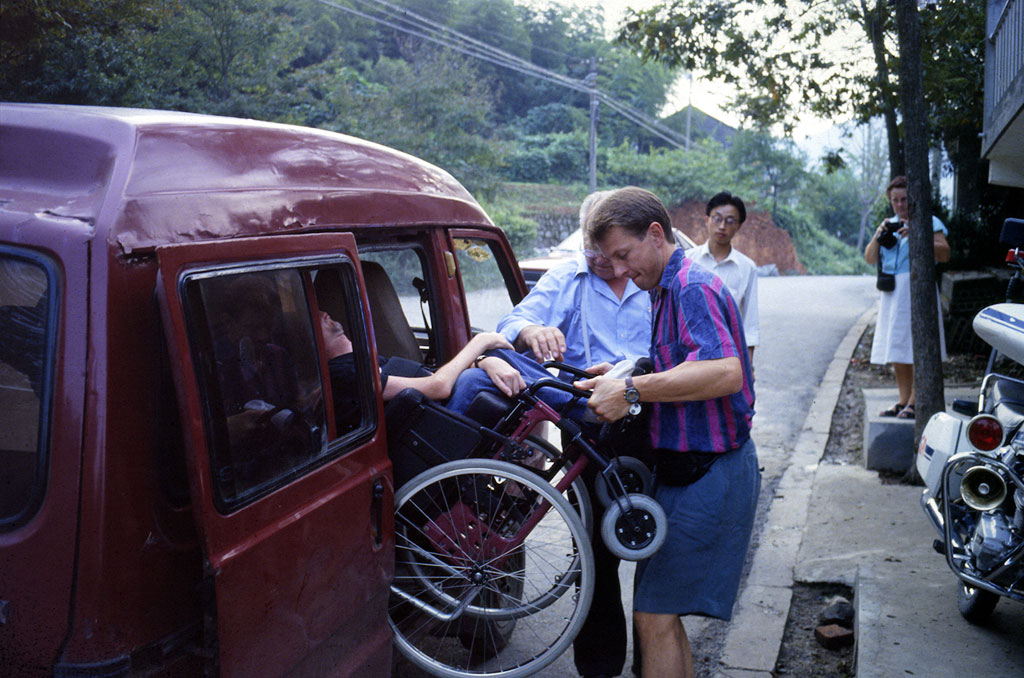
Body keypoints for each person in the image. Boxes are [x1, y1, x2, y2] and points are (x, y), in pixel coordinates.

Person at [575, 187, 760, 678]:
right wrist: (620, 374)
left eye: (623, 254)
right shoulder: (664, 288)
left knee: (654, 614)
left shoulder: (691, 286)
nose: (618, 270)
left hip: (711, 471)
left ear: (655, 234)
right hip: (685, 472)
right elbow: (681, 364)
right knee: (658, 612)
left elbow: (725, 372)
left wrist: (631, 391)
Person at [496, 190, 651, 678]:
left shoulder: (655, 277)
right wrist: (531, 333)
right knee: (597, 552)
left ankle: (657, 662)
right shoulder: (569, 277)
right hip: (592, 424)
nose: (609, 264)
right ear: (586, 241)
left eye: (616, 254)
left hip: (655, 418)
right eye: (597, 252)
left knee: (653, 544)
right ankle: (600, 667)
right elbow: (512, 321)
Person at [863, 175, 951, 420]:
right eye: (895, 200)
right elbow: (870, 258)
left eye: (904, 199)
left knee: (915, 346)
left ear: (912, 200)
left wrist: (918, 233)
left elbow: (945, 254)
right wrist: (879, 235)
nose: (900, 205)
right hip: (892, 292)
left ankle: (915, 400)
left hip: (916, 289)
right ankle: (902, 400)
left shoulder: (928, 222)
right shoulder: (888, 224)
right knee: (897, 347)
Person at [687, 191, 759, 361]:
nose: (722, 226)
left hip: (728, 354)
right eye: (717, 218)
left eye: (730, 221)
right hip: (690, 350)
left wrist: (748, 366)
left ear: (739, 226)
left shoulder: (747, 268)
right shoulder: (687, 261)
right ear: (707, 220)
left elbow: (749, 322)